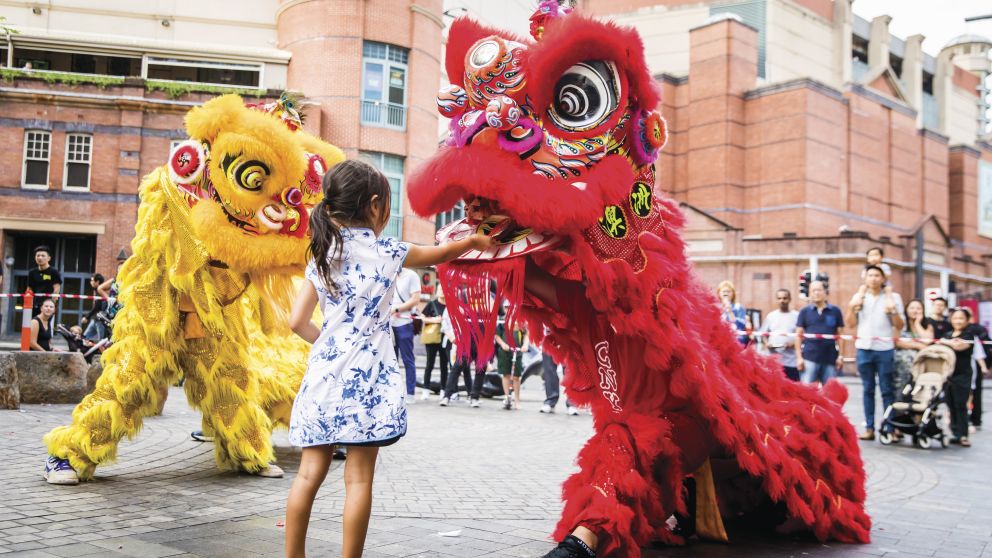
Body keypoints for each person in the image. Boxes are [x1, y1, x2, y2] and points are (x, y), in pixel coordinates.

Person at [284, 160, 493, 558]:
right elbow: (441, 251)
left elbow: (296, 321)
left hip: (324, 378)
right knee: (359, 479)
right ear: (376, 205)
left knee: (308, 475)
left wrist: (326, 345)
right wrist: (472, 242)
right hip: (369, 381)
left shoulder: (322, 254)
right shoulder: (389, 251)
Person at [847, 265, 904, 441]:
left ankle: (889, 427)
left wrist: (892, 311)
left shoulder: (893, 298)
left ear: (883, 278)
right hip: (864, 348)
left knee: (887, 390)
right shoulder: (859, 297)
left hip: (884, 349)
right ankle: (869, 427)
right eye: (870, 275)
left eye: (876, 275)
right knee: (867, 389)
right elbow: (849, 324)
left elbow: (900, 325)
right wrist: (852, 308)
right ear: (865, 278)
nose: (873, 278)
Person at [940, 308, 981, 447]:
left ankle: (963, 435)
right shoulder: (948, 334)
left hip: (962, 375)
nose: (957, 321)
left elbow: (959, 346)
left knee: (960, 404)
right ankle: (955, 433)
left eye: (961, 318)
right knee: (950, 404)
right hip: (948, 375)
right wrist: (946, 341)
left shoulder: (968, 334)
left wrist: (945, 342)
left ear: (967, 320)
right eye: (955, 318)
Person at [795, 281, 844, 385]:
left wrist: (841, 356)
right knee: (807, 392)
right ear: (809, 293)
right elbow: (798, 336)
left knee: (829, 392)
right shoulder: (804, 312)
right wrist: (799, 358)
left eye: (819, 290)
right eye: (813, 290)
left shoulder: (835, 311)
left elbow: (840, 335)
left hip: (830, 358)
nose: (816, 293)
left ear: (825, 292)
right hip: (809, 358)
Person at [391, 267, 421, 401]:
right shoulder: (389, 273)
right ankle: (392, 393)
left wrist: (397, 309)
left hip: (404, 322)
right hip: (388, 324)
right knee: (391, 360)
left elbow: (415, 299)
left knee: (408, 359)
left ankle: (410, 393)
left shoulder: (411, 275)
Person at [893, 299, 934, 398]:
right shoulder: (900, 324)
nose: (915, 311)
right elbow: (897, 342)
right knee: (901, 390)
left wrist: (917, 324)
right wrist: (918, 345)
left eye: (918, 308)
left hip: (922, 364)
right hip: (902, 365)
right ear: (906, 310)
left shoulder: (927, 324)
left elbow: (928, 340)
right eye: (912, 308)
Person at [759, 289, 800, 381]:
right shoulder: (771, 316)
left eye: (785, 298)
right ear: (777, 300)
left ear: (789, 299)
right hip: (774, 361)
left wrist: (794, 343)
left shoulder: (797, 316)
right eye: (779, 298)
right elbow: (763, 334)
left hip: (791, 362)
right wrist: (766, 343)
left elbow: (802, 335)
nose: (782, 301)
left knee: (791, 389)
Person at [419, 289, 448, 400]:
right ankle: (426, 389)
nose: (442, 291)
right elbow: (422, 317)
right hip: (432, 337)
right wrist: (434, 320)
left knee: (444, 365)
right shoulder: (432, 303)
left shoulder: (450, 305)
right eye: (440, 289)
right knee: (429, 363)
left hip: (445, 337)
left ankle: (443, 389)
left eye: (443, 289)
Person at [496, 311, 529, 410]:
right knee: (506, 374)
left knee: (516, 377)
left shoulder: (521, 322)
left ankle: (517, 400)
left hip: (517, 352)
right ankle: (507, 397)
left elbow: (526, 335)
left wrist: (525, 345)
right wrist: (502, 344)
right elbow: (497, 335)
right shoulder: (502, 320)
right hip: (505, 351)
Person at [539, 351, 578, 415]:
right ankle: (550, 401)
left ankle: (572, 402)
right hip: (549, 341)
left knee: (570, 368)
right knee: (549, 369)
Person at [27, 245, 62, 316]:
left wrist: (52, 305)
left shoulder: (54, 272)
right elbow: (29, 289)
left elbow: (56, 290)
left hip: (48, 306)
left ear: (49, 258)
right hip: (35, 305)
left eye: (43, 256)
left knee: (46, 326)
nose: (40, 258)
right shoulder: (32, 272)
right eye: (38, 255)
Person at [716, 280, 748, 345]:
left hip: (735, 340)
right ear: (719, 293)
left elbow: (741, 325)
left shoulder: (738, 307)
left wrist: (729, 311)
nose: (726, 293)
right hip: (718, 339)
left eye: (728, 291)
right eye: (723, 291)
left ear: (733, 294)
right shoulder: (715, 307)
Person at [81, 273, 108, 342]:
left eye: (92, 280)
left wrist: (87, 317)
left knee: (101, 342)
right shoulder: (96, 292)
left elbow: (97, 307)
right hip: (95, 319)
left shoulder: (100, 292)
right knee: (84, 338)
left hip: (100, 320)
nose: (91, 282)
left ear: (97, 282)